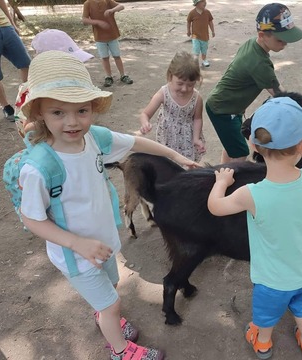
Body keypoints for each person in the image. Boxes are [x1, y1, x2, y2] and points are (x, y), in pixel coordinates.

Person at [18, 50, 198, 359]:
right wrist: (77, 243)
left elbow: (135, 142)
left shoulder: (95, 138)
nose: (73, 122)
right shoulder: (39, 167)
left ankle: (106, 316)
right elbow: (32, 218)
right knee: (112, 303)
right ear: (40, 114)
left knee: (111, 290)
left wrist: (175, 155)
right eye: (58, 112)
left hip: (103, 241)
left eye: (82, 110)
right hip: (75, 253)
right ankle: (119, 350)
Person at [207, 97, 302, 360]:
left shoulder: (251, 194)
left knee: (266, 317)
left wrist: (222, 181)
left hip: (272, 281)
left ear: (253, 145)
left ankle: (262, 344)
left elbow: (215, 206)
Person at [205, 2, 302, 164]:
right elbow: (282, 97)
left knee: (232, 144)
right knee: (240, 153)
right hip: (222, 110)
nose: (285, 44)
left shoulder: (252, 44)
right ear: (262, 35)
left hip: (230, 107)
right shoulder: (259, 63)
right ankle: (228, 182)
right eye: (280, 40)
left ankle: (222, 170)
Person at [14, 28, 95, 138]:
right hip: (47, 143)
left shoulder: (75, 82)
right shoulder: (33, 90)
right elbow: (27, 129)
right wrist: (47, 122)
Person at [139, 51, 206, 162]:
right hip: (167, 137)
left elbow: (197, 119)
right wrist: (145, 123)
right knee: (168, 164)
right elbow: (145, 114)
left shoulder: (197, 98)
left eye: (190, 85)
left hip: (187, 139)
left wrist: (196, 138)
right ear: (170, 76)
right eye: (180, 83)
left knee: (187, 164)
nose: (184, 89)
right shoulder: (163, 93)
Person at [0, 0, 31, 121]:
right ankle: (6, 107)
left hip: (5, 27)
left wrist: (12, 24)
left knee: (26, 64)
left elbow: (1, 2)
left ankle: (26, 99)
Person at [82, 0, 133, 87]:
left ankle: (123, 75)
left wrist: (112, 10)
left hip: (112, 35)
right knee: (104, 58)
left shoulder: (108, 1)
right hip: (99, 37)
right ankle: (108, 77)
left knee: (117, 56)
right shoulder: (88, 3)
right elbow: (84, 20)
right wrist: (97, 22)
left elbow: (121, 6)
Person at [187, 0, 215, 68]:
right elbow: (188, 22)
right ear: (197, 4)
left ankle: (204, 60)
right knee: (196, 49)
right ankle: (195, 61)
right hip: (195, 35)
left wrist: (213, 31)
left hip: (205, 35)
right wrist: (188, 31)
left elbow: (210, 22)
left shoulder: (207, 12)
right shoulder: (192, 13)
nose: (205, 3)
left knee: (204, 49)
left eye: (205, 1)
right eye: (202, 1)